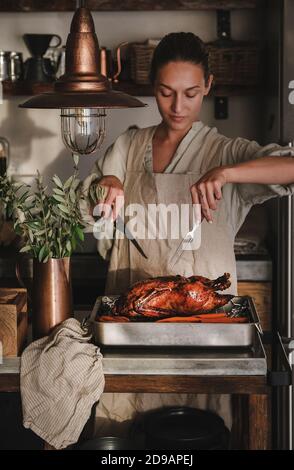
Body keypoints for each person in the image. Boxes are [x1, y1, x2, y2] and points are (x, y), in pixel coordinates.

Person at [81, 32, 294, 437]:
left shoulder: (224, 152)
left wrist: (226, 174)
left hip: (205, 344)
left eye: (191, 93)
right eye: (165, 92)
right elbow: (91, 200)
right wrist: (107, 181)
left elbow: (291, 168)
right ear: (152, 88)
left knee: (199, 437)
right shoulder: (128, 145)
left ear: (209, 87)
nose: (178, 106)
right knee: (127, 439)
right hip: (129, 338)